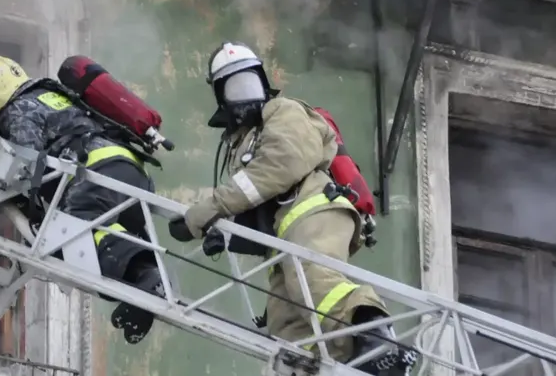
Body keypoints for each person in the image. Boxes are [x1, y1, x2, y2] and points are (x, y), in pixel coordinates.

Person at [167, 41, 417, 375]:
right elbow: (256, 202)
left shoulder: (284, 112)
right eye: (234, 86)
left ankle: (379, 341)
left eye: (249, 82)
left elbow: (281, 165)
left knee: (314, 284)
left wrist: (207, 210)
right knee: (288, 325)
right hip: (285, 238)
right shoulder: (245, 141)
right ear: (221, 97)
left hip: (313, 212)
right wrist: (219, 233)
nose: (244, 93)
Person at [0, 54, 165, 344]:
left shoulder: (17, 109)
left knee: (72, 237)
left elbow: (27, 159)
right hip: (131, 171)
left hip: (98, 175)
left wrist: (8, 188)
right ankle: (146, 286)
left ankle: (145, 280)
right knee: (114, 244)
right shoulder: (53, 94)